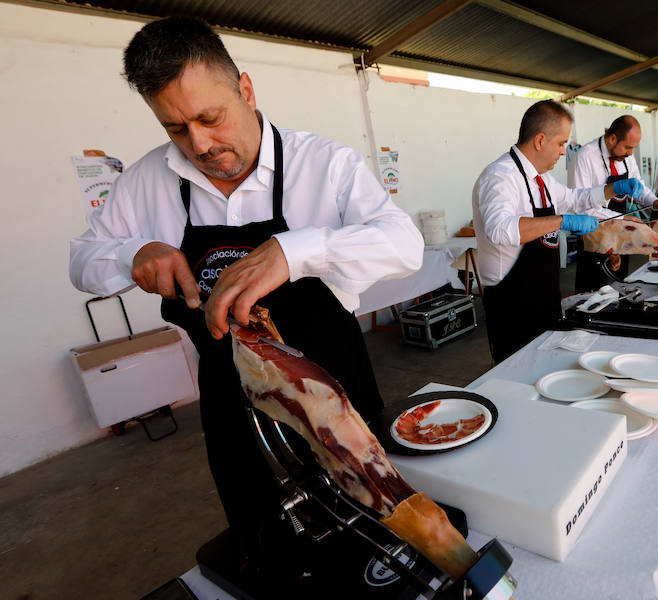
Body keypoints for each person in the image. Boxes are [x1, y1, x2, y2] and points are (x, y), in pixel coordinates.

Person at [69, 17, 424, 562]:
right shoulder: (145, 182)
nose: (200, 144)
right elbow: (82, 261)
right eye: (176, 129)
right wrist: (131, 253)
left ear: (246, 89)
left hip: (336, 397)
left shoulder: (324, 165)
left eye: (211, 118)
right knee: (269, 547)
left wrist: (296, 250)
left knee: (375, 533)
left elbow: (404, 245)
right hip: (233, 410)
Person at [473, 100, 623, 362]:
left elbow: (575, 199)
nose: (564, 151)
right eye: (561, 143)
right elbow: (500, 229)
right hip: (513, 306)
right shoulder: (500, 177)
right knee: (518, 377)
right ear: (540, 140)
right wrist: (561, 221)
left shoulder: (542, 179)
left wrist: (614, 189)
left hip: (544, 297)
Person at [568, 115, 658, 292]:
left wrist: (655, 201)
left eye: (633, 148)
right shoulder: (584, 157)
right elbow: (581, 208)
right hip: (595, 238)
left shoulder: (625, 157)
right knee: (595, 292)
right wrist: (624, 218)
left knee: (618, 286)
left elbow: (639, 188)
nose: (631, 153)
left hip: (621, 237)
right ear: (612, 139)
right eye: (628, 147)